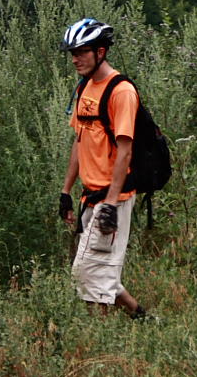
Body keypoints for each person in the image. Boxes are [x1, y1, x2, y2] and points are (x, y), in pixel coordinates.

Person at [57, 18, 151, 320]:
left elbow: (125, 151)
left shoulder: (121, 92)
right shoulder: (85, 87)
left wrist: (110, 204)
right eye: (73, 53)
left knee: (88, 274)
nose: (75, 59)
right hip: (90, 195)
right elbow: (80, 140)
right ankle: (143, 318)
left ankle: (97, 339)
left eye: (81, 52)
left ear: (101, 52)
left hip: (113, 197)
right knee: (99, 271)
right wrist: (66, 191)